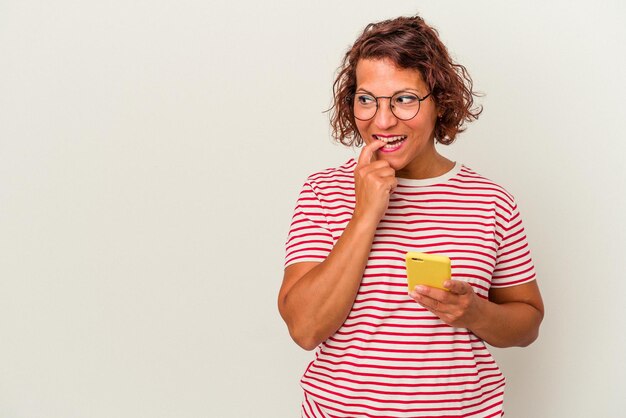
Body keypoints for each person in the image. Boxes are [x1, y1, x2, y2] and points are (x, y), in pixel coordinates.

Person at [278, 14, 544, 418]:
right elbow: (305, 328)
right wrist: (366, 213)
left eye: (404, 99)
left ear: (439, 102)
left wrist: (475, 313)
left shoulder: (491, 201)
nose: (382, 121)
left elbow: (528, 323)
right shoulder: (323, 192)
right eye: (366, 99)